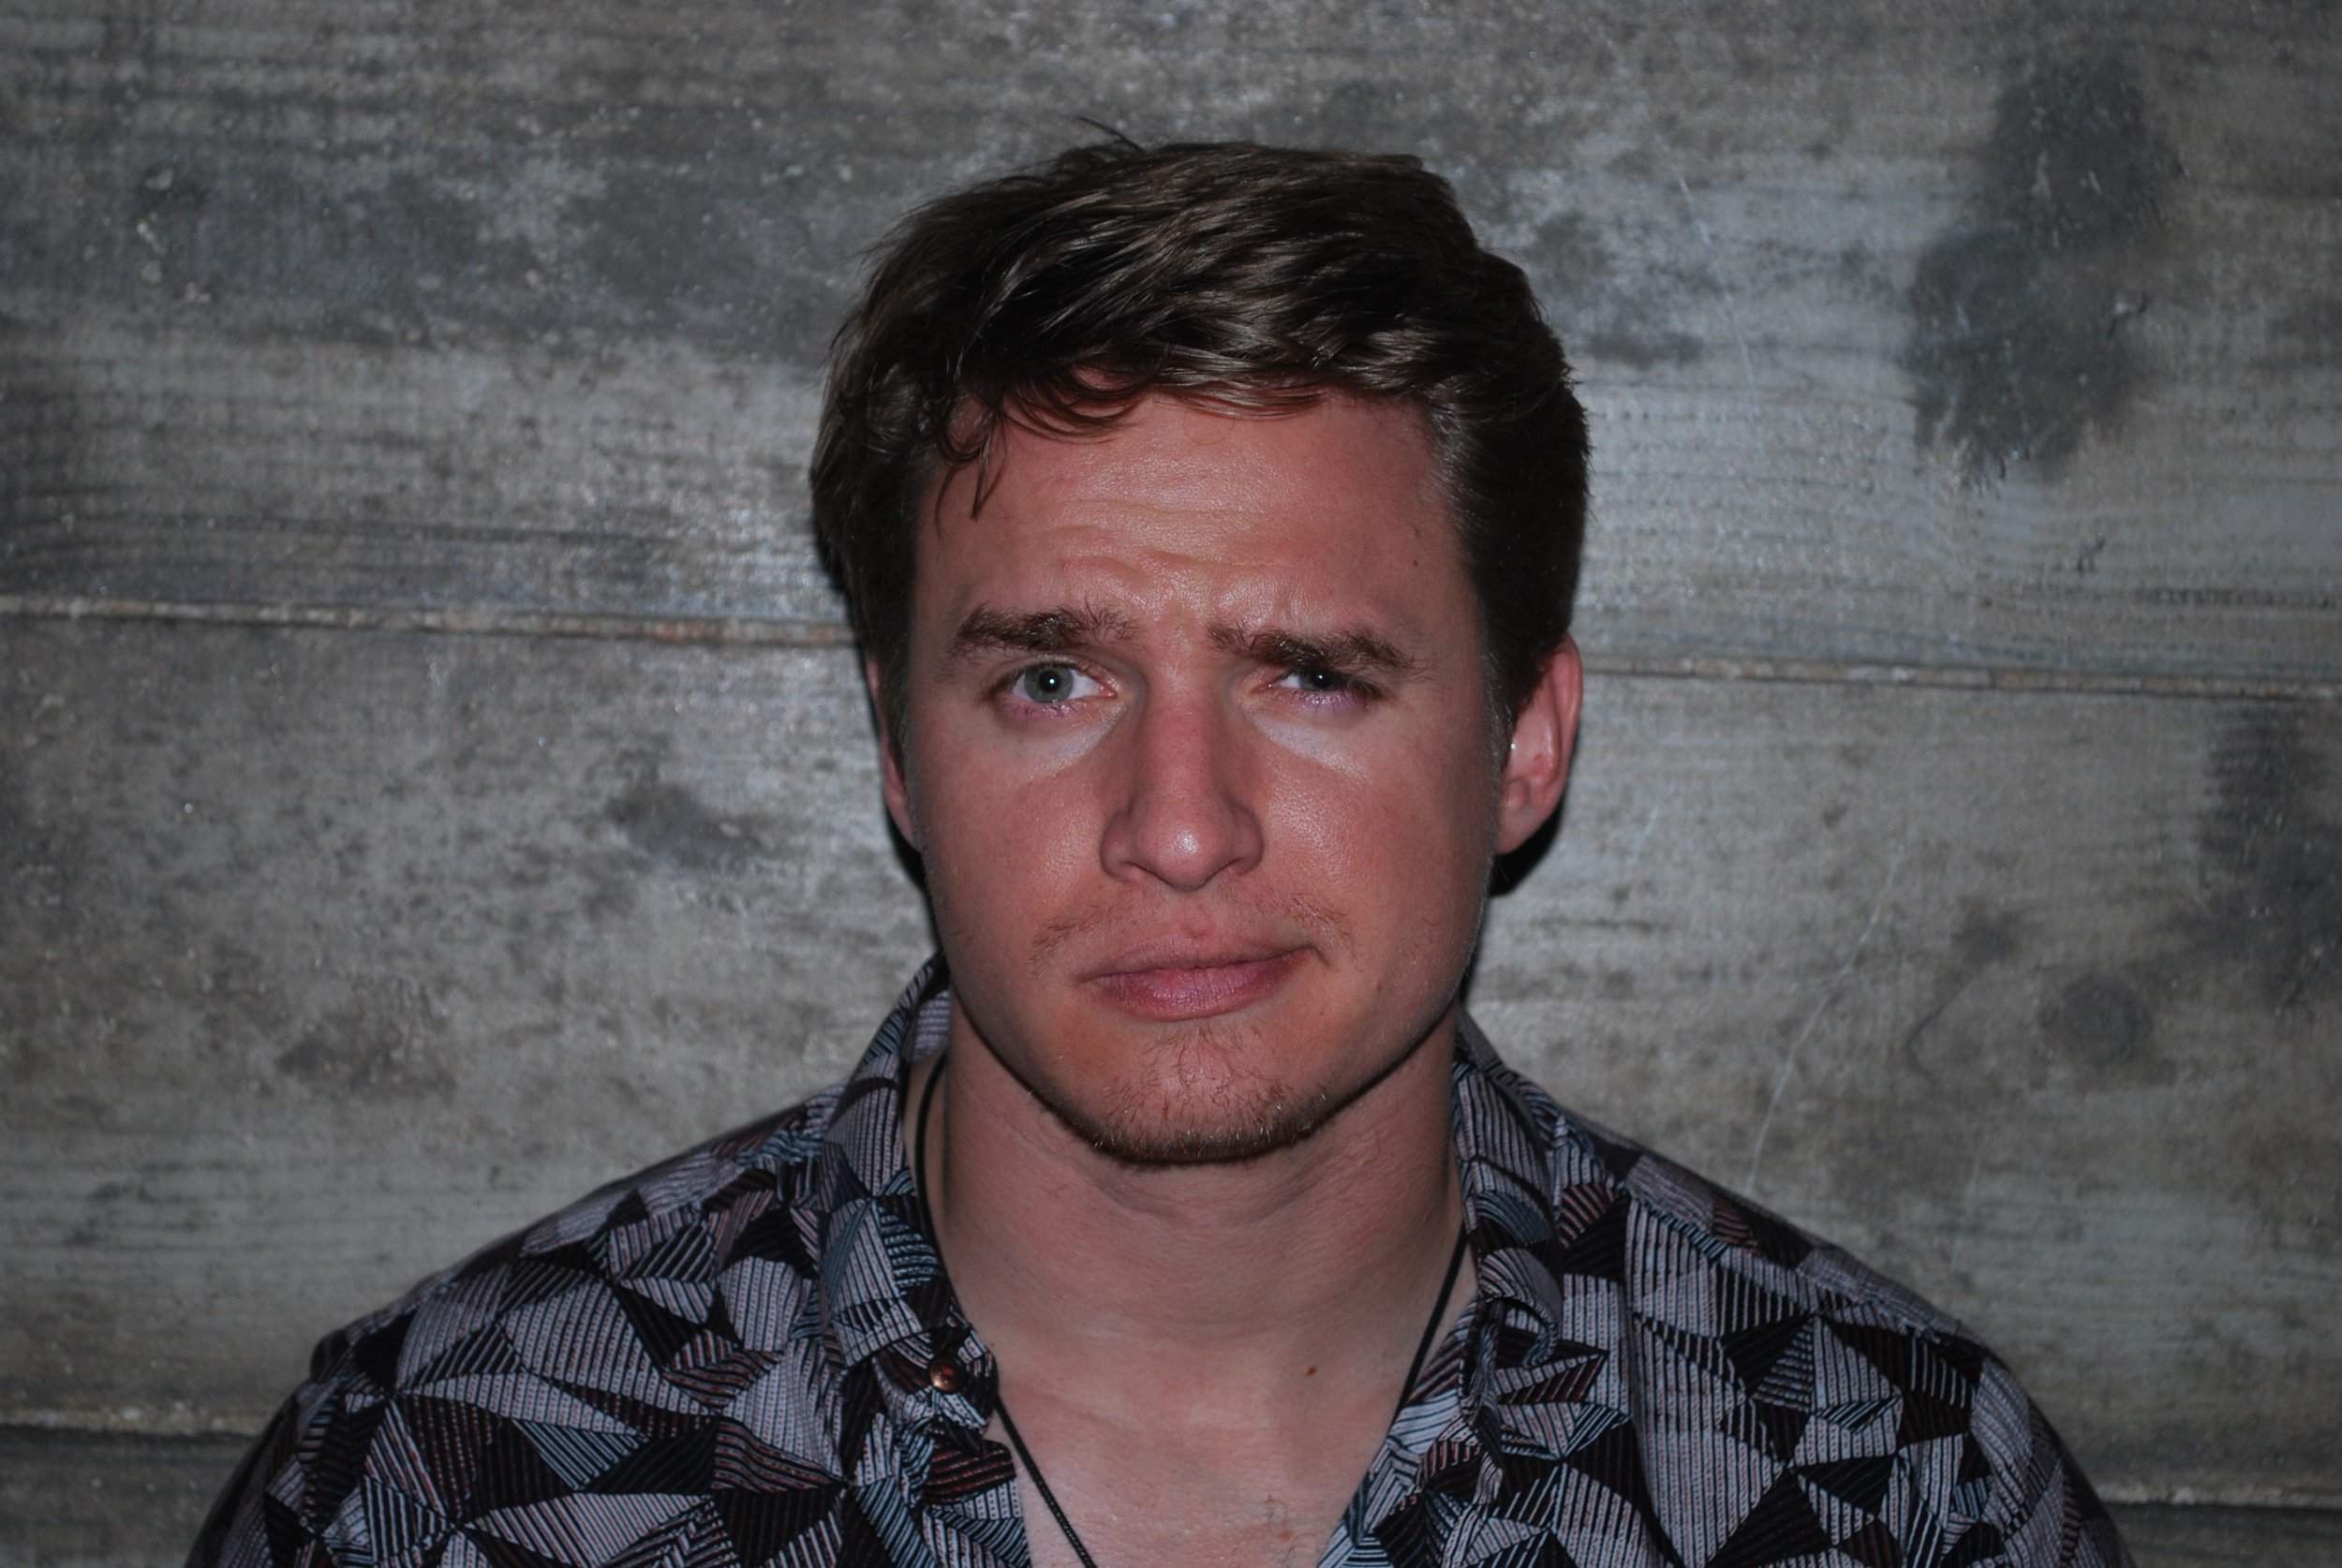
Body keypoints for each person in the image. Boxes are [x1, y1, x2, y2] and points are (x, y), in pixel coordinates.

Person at [191, 140, 2130, 1568]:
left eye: (1306, 673)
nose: (1178, 826)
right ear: (892, 748)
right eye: (1049, 679)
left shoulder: (1888, 1485)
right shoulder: (453, 1475)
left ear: (1523, 740)